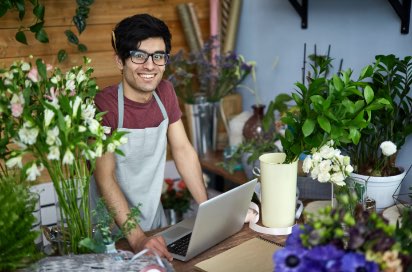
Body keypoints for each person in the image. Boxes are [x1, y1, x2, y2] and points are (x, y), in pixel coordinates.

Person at [91, 13, 208, 261]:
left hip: (154, 223)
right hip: (113, 231)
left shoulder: (165, 93)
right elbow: (105, 177)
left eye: (158, 56)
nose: (150, 65)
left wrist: (208, 211)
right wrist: (137, 238)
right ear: (120, 61)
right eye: (138, 55)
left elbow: (183, 150)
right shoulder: (104, 105)